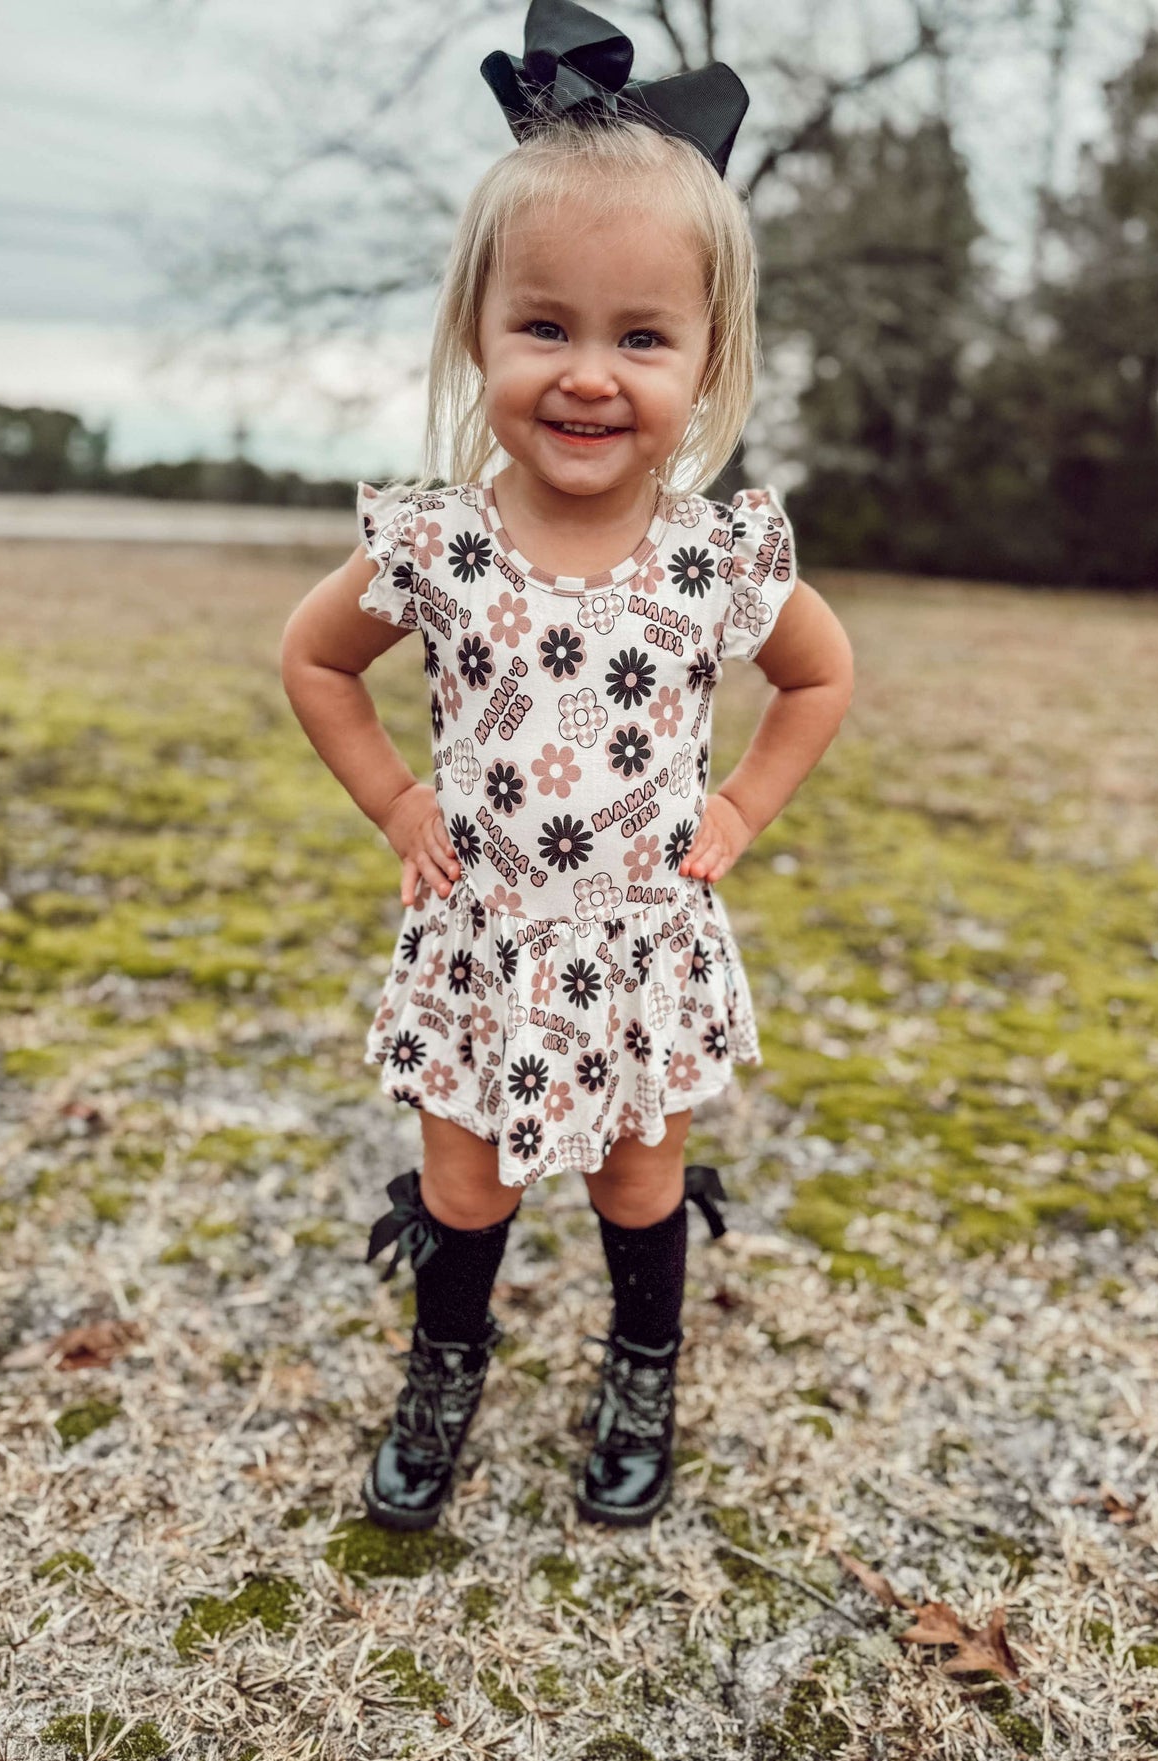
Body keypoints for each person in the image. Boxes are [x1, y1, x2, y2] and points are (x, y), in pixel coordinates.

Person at [279, 0, 854, 1535]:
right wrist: (396, 798)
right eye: (545, 327)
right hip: (482, 942)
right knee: (464, 1187)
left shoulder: (713, 555)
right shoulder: (440, 542)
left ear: (707, 361)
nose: (589, 375)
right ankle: (443, 1371)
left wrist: (740, 805)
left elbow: (818, 677)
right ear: (477, 332)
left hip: (640, 948)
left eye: (640, 338)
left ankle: (641, 1372)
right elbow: (314, 662)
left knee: (635, 1183)